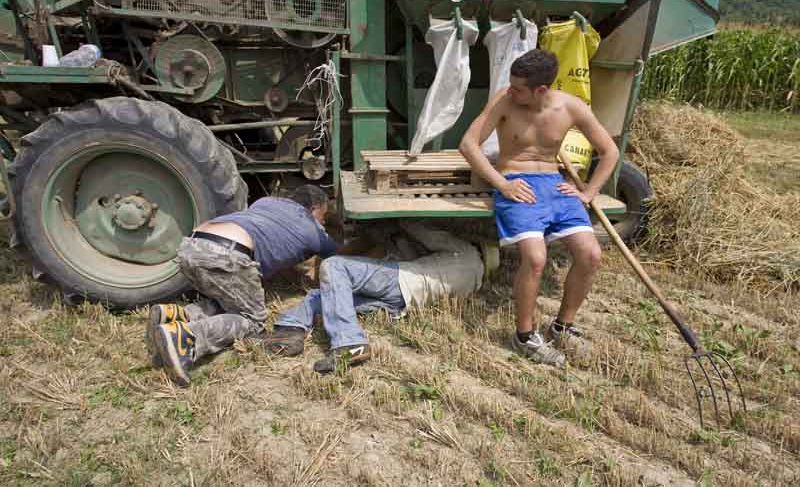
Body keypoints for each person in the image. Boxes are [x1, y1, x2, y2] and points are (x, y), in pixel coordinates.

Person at [459, 48, 619, 368]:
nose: (510, 90)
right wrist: (502, 185)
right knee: (535, 258)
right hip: (516, 184)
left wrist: (589, 192)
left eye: (518, 87)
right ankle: (525, 336)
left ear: (541, 90)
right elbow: (468, 144)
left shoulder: (570, 107)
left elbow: (609, 151)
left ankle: (562, 325)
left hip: (556, 186)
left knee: (591, 255)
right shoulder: (505, 101)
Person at [148, 185, 338, 386]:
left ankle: (174, 315)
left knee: (231, 303)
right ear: (313, 209)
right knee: (252, 321)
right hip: (226, 254)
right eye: (323, 215)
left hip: (192, 246)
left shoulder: (266, 202)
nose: (323, 221)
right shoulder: (312, 229)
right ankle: (186, 339)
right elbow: (338, 261)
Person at [258, 222, 486, 373]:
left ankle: (349, 343)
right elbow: (423, 267)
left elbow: (428, 235)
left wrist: (399, 218)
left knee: (335, 266)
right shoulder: (475, 280)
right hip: (402, 304)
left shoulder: (466, 251)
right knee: (332, 295)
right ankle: (291, 329)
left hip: (401, 281)